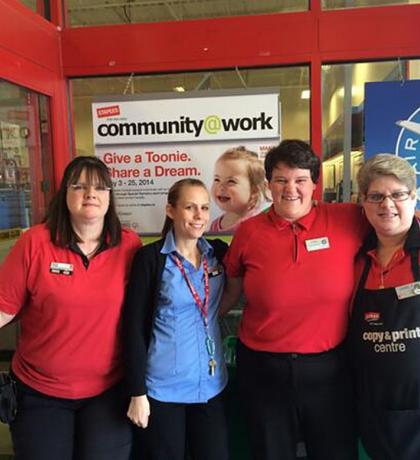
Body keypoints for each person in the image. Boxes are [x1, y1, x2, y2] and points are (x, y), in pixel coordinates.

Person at [221, 139, 368, 460]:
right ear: (268, 184)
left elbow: (396, 222)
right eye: (281, 180)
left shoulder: (348, 219)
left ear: (315, 184)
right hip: (264, 371)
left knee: (335, 452)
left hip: (329, 371)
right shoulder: (248, 232)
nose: (291, 189)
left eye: (300, 180)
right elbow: (230, 289)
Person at [0, 156, 141, 460]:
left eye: (100, 188)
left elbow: (141, 316)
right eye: (79, 186)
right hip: (40, 392)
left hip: (108, 392)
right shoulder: (34, 243)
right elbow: (4, 308)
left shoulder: (129, 246)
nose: (90, 194)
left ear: (109, 197)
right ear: (64, 194)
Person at [123, 178, 229, 460]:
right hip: (162, 390)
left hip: (210, 385)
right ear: (170, 210)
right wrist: (137, 392)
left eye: (205, 208)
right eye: (190, 207)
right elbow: (133, 327)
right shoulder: (150, 259)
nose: (199, 216)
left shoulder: (217, 254)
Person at [349, 154, 420, 459]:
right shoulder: (354, 257)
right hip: (372, 409)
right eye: (376, 196)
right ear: (362, 202)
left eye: (398, 194)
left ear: (413, 197)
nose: (387, 205)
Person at [210, 146, 268, 233]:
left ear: (254, 190)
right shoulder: (215, 225)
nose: (221, 186)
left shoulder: (256, 222)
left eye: (231, 181)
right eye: (217, 180)